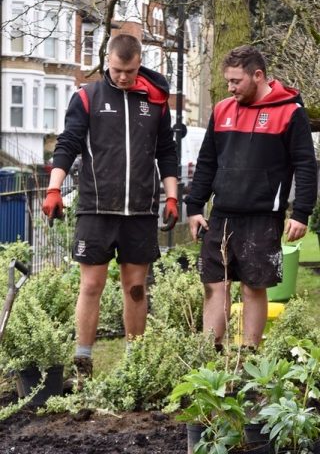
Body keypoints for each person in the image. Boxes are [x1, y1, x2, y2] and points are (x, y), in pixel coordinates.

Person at [42, 34, 178, 389]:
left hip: (141, 211)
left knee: (135, 287)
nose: (123, 77)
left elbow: (167, 151)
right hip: (96, 208)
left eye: (130, 71)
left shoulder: (155, 100)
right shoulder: (87, 97)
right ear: (107, 62)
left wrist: (172, 196)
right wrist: (54, 188)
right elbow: (68, 143)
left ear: (139, 63)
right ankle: (83, 362)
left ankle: (136, 364)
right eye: (117, 70)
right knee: (91, 285)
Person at [185, 45, 318, 349]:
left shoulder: (291, 112)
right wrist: (194, 206)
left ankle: (250, 355)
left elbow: (305, 165)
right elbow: (207, 162)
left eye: (236, 81)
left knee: (253, 287)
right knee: (214, 284)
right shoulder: (221, 110)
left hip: (262, 215)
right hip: (221, 214)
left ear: (258, 75)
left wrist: (301, 212)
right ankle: (210, 354)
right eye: (228, 81)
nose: (230, 88)